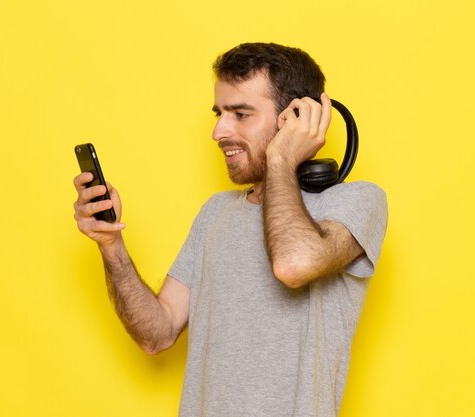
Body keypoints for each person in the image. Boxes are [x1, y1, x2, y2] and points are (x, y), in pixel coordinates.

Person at [73, 42, 387, 417]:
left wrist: (282, 157)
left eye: (240, 114)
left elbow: (293, 265)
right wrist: (111, 244)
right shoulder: (215, 213)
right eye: (219, 113)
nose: (219, 131)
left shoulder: (355, 202)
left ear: (297, 118)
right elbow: (156, 334)